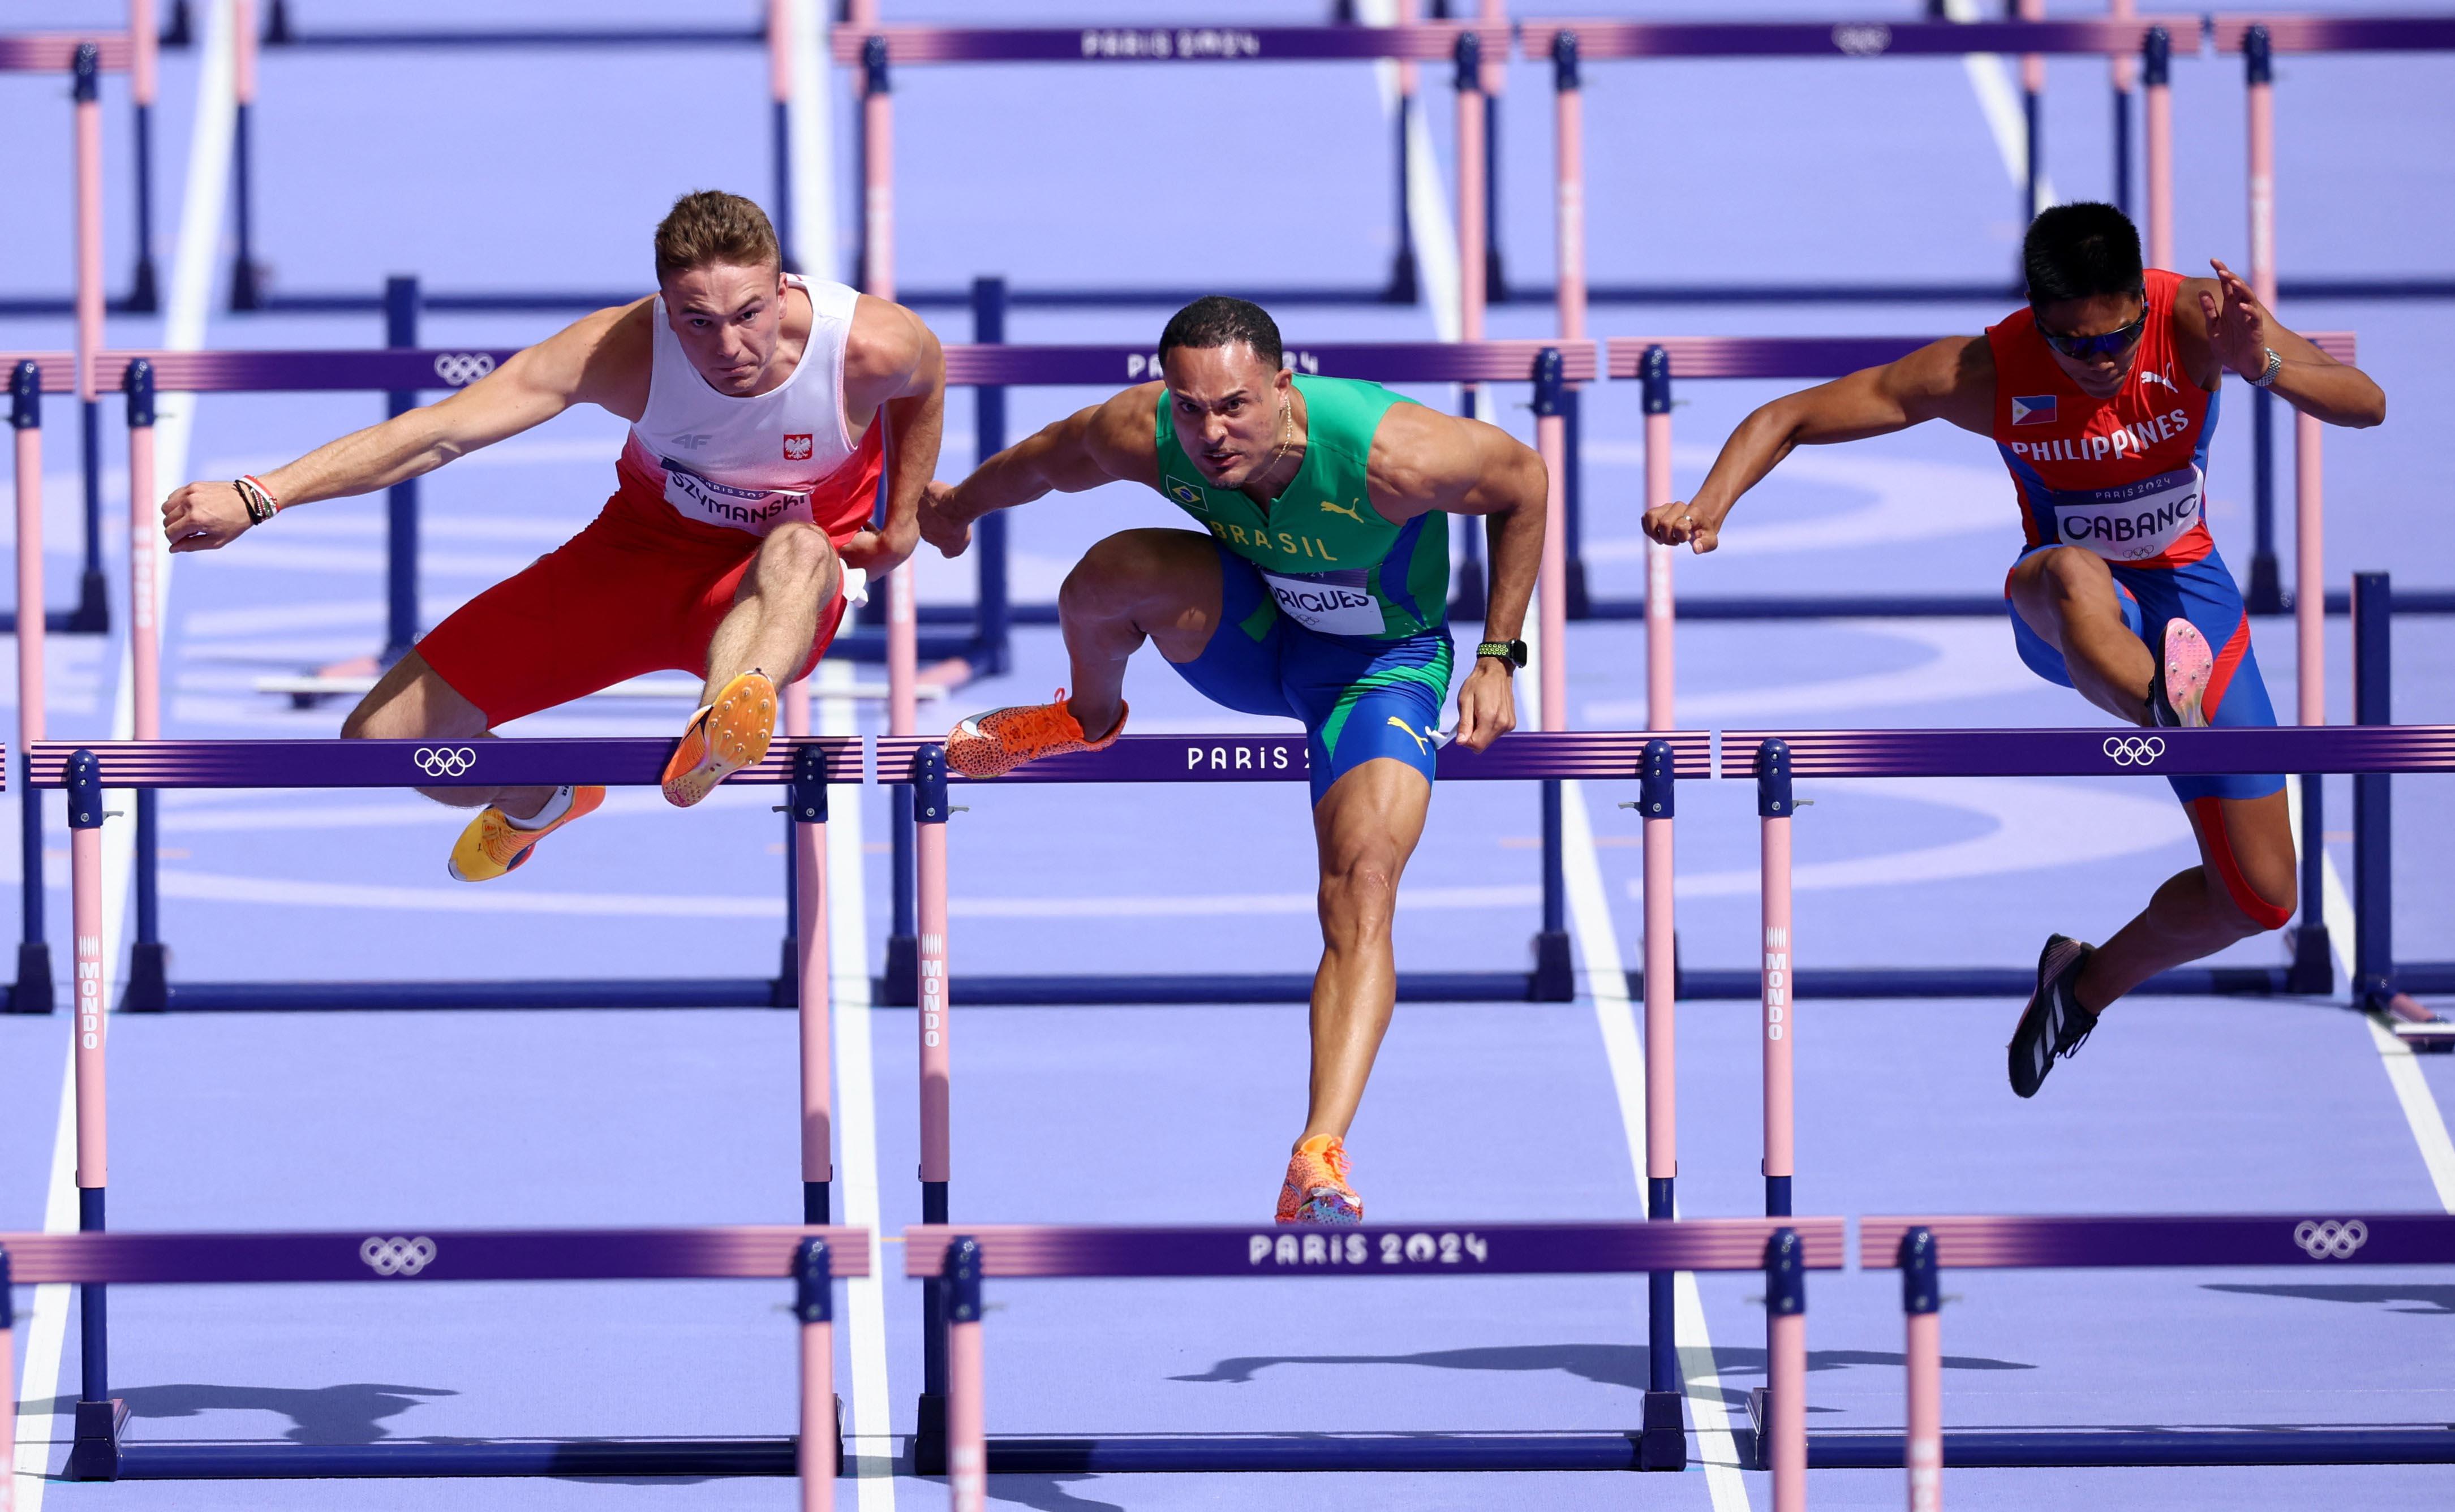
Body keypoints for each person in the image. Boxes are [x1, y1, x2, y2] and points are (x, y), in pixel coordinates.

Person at [1643, 203, 2385, 1099]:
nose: (2100, 363)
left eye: (2116, 340)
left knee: (2262, 896)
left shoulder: (2197, 318)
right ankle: (2167, 705)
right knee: (2075, 570)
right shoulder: (1984, 369)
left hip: (2190, 592)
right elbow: (1791, 414)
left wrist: (2257, 361)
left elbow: (2367, 403)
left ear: (2140, 308)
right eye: (2074, 346)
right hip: (2063, 606)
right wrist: (1707, 505)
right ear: (2038, 318)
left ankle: (2084, 982)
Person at [917, 296, 1547, 1222]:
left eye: (1236, 407)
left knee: (1364, 881)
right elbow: (1057, 456)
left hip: (1377, 669)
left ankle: (1317, 1152)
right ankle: (1089, 716)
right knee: (1106, 572)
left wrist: (1498, 654)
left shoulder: (1394, 455)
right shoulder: (1153, 431)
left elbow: (1526, 481)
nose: (1211, 433)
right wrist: (956, 507)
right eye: (1190, 408)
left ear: (1285, 388)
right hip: (1250, 631)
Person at [161, 191, 944, 880]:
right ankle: (538, 796)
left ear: (782, 290)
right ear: (667, 309)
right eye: (699, 323)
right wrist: (261, 495)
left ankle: (722, 726)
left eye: (748, 315)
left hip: (774, 596)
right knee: (383, 740)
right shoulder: (619, 351)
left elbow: (928, 377)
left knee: (799, 544)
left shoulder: (866, 346)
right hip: (634, 560)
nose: (729, 347)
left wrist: (902, 516)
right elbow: (437, 433)